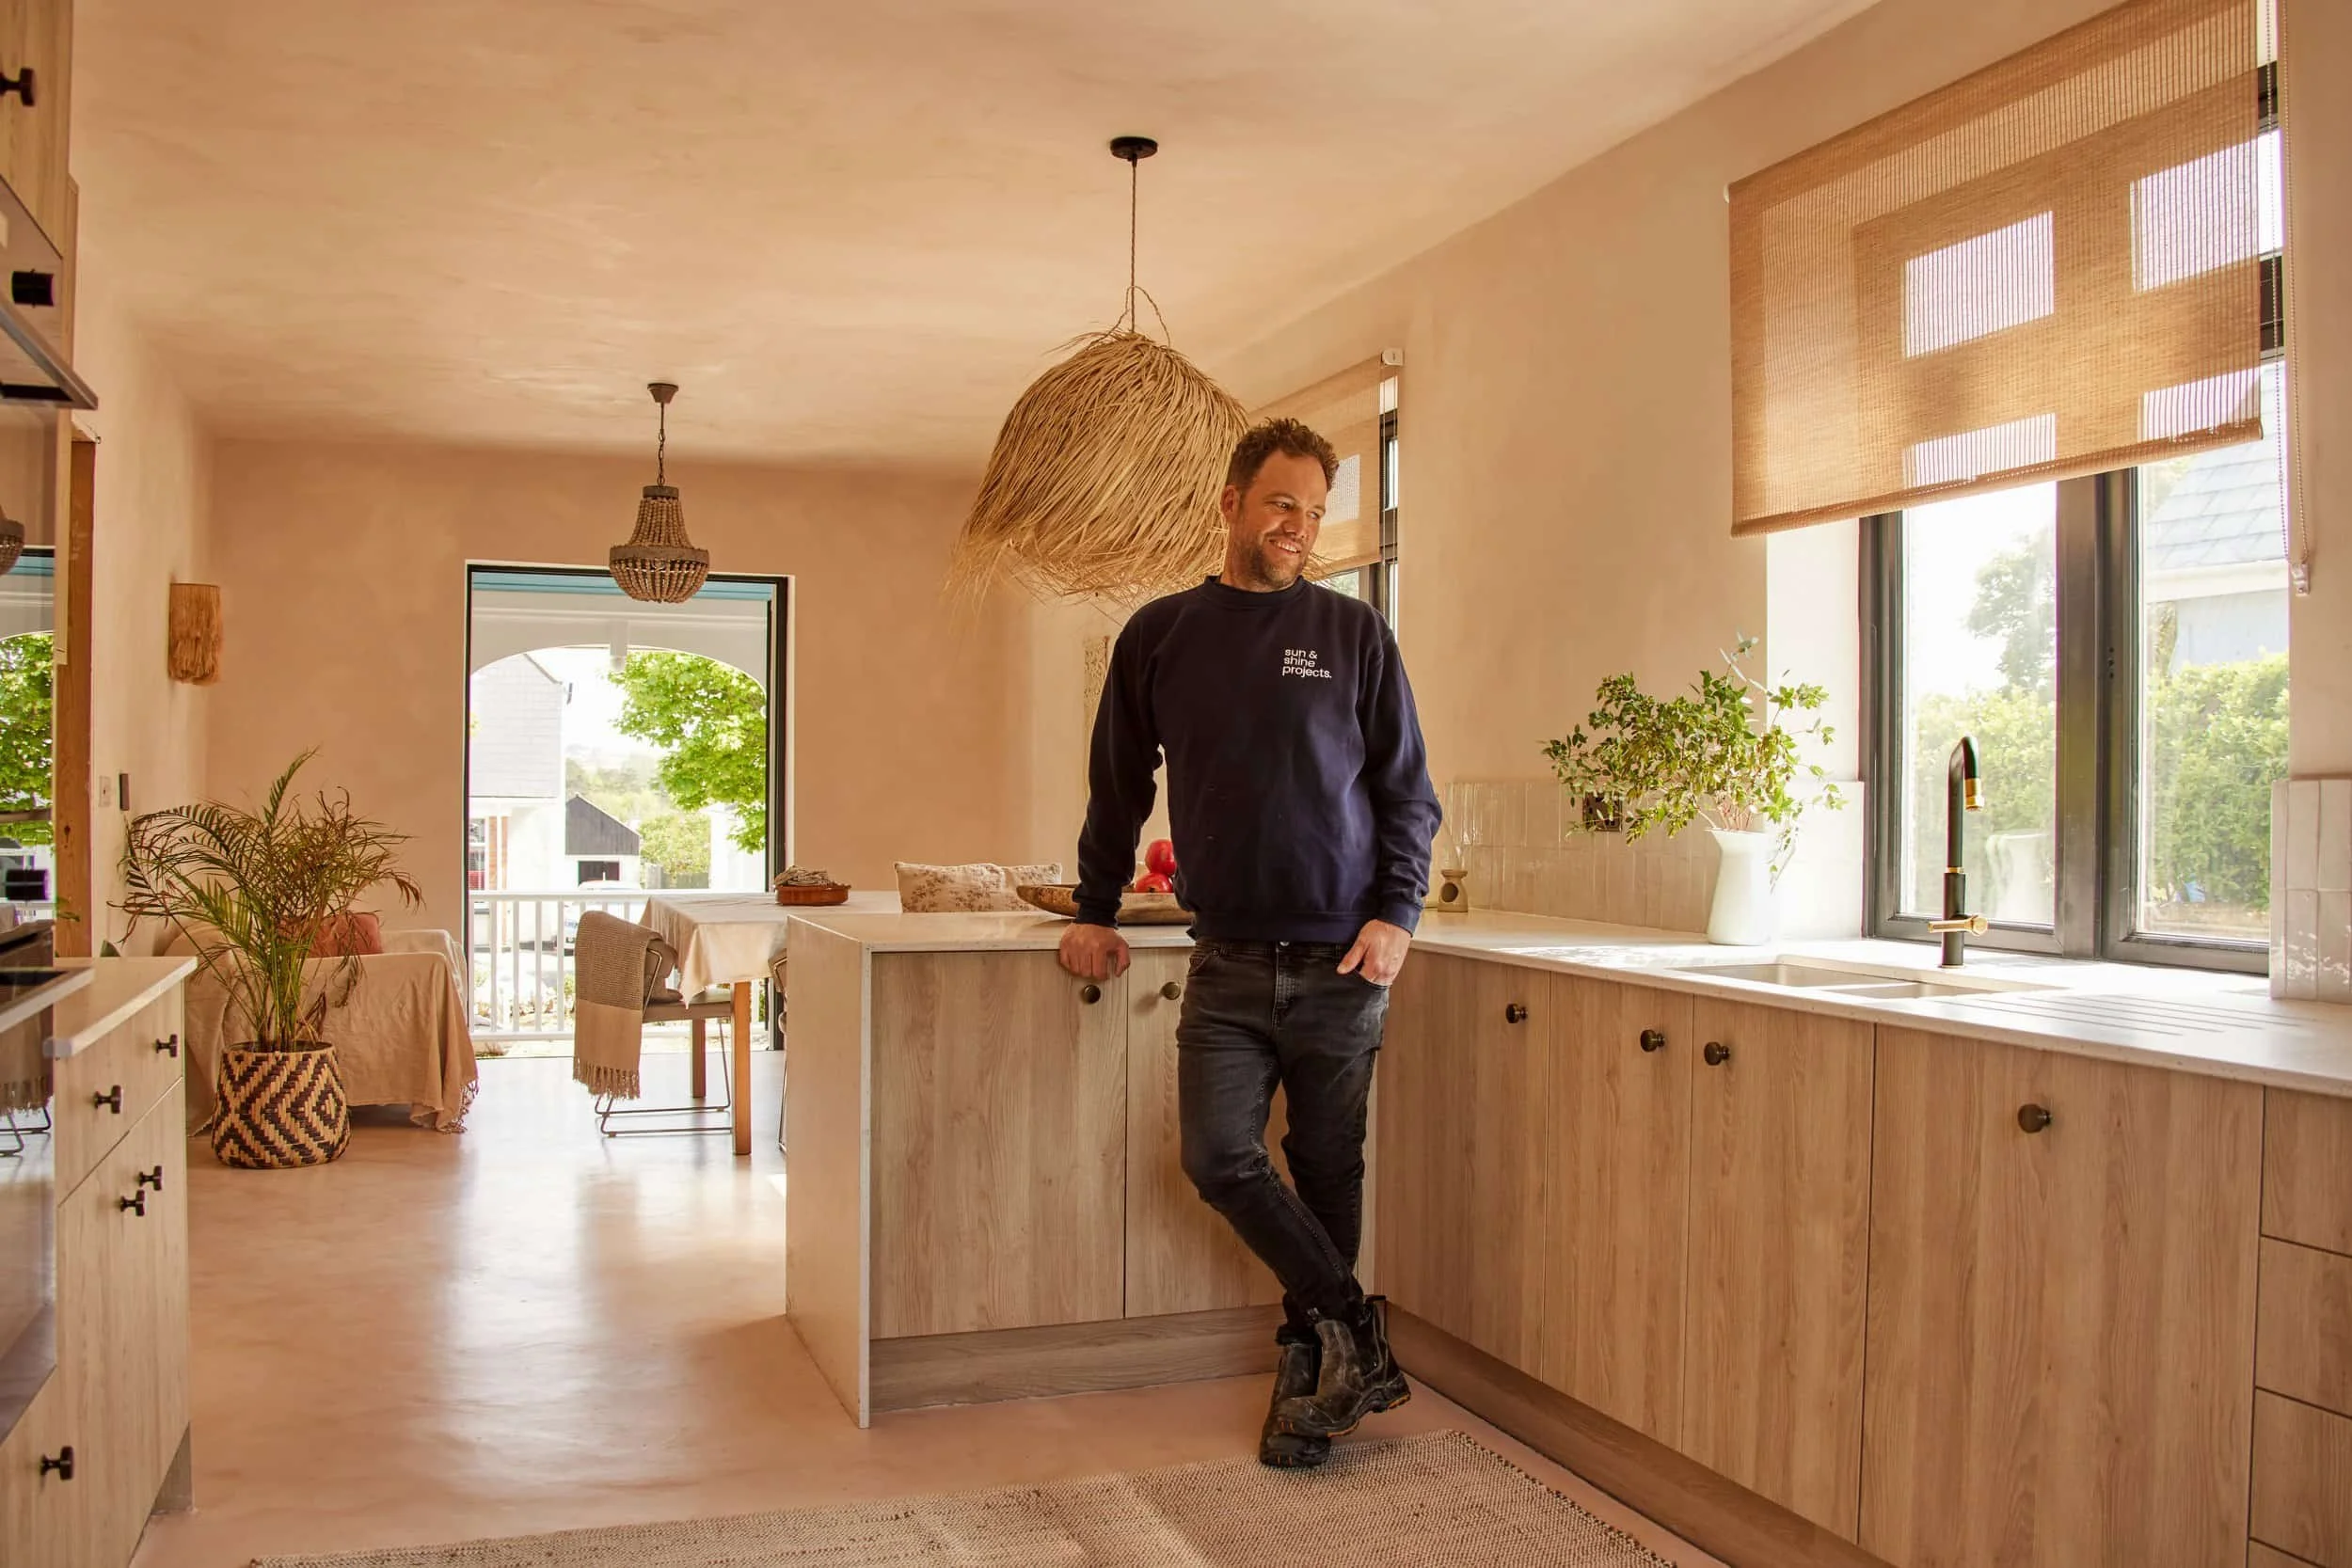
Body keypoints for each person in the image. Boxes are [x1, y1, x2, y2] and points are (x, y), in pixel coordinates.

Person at [1058, 417, 1442, 1468]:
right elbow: (1117, 785)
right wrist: (1094, 903)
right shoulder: (1159, 634)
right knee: (1219, 1157)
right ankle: (1357, 1330)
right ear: (1230, 503)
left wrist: (1397, 915)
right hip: (1224, 959)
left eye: (1316, 512)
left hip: (1343, 961)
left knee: (1326, 1168)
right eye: (1282, 503)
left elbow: (1408, 794)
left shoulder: (1356, 633)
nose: (1299, 527)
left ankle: (1307, 1377)